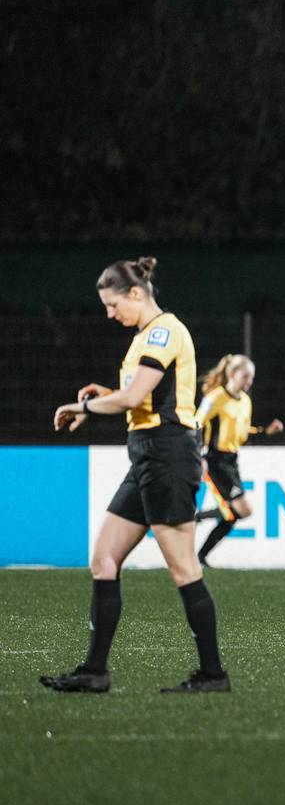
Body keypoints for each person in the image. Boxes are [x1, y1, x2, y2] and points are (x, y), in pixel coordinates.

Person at [41, 257, 232, 694]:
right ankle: (95, 671)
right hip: (147, 457)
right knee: (103, 558)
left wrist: (84, 407)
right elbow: (138, 398)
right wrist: (105, 395)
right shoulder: (145, 336)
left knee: (183, 568)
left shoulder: (164, 331)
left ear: (135, 293)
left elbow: (135, 398)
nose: (110, 315)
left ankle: (213, 675)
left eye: (112, 305)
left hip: (168, 456)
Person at [193, 353, 285, 564]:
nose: (249, 381)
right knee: (242, 510)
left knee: (236, 513)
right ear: (233, 374)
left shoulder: (245, 401)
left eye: (251, 377)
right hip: (215, 460)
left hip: (232, 461)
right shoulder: (215, 397)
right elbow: (196, 424)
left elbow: (243, 433)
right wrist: (199, 454)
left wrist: (266, 432)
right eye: (246, 376)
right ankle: (197, 525)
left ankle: (201, 553)